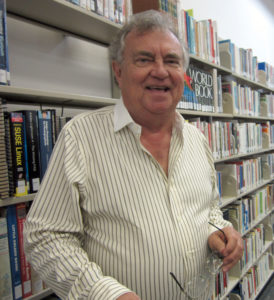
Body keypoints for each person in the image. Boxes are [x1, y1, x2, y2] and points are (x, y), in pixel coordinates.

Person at [24, 10, 243, 300]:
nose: (161, 71)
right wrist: (106, 294)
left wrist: (220, 229)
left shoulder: (197, 139)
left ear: (183, 75)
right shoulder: (81, 138)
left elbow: (208, 208)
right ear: (118, 71)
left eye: (172, 61)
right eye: (144, 59)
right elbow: (45, 238)